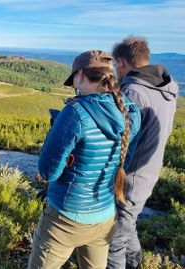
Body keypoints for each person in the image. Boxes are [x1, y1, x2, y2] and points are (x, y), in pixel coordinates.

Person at [27, 50, 141, 269]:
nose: (74, 87)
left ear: (79, 75)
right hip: (105, 216)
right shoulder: (131, 111)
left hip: (65, 219)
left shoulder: (75, 113)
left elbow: (48, 172)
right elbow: (125, 162)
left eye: (74, 81)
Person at [107, 36, 178, 269]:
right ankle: (136, 264)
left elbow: (121, 140)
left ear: (121, 62)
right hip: (149, 173)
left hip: (129, 178)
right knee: (129, 224)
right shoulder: (167, 88)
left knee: (114, 243)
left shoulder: (133, 92)